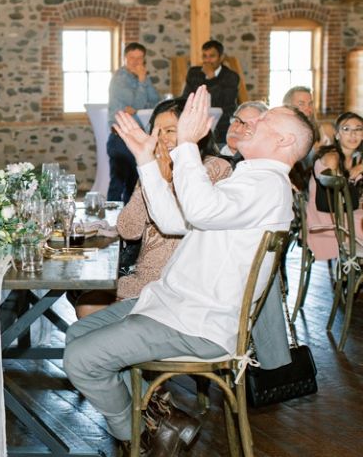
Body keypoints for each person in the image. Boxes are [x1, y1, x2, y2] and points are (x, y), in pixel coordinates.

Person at [64, 86, 315, 455]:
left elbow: (199, 210)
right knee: (79, 333)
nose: (252, 122)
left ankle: (137, 435)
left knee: (80, 359)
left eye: (264, 120)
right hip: (174, 307)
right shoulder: (250, 179)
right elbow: (173, 221)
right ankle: (160, 420)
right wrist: (145, 160)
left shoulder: (267, 184)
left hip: (197, 323)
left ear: (284, 140)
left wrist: (185, 145)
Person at [113, 99, 231, 304]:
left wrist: (165, 181)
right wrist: (151, 173)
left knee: (88, 305)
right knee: (83, 296)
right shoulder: (151, 168)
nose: (162, 139)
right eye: (156, 131)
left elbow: (181, 223)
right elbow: (128, 230)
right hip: (141, 277)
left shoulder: (215, 168)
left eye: (170, 131)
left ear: (193, 130)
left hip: (177, 287)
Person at [106, 42, 160, 204]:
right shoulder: (119, 79)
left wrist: (142, 85)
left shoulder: (143, 77)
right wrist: (142, 83)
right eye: (132, 58)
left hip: (138, 137)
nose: (136, 62)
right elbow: (137, 103)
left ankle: (129, 218)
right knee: (118, 183)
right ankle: (111, 217)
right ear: (125, 58)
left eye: (140, 58)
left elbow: (156, 102)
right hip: (120, 138)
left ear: (144, 59)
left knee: (134, 183)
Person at [306, 112, 363, 260]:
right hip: (327, 219)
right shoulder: (332, 157)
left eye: (358, 129)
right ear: (337, 135)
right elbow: (333, 197)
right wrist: (355, 173)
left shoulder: (357, 159)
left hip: (347, 214)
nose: (353, 134)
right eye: (346, 129)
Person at [181, 40, 240, 143]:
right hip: (197, 123)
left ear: (221, 57)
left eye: (212, 56)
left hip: (221, 126)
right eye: (204, 56)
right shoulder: (194, 73)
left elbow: (223, 101)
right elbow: (186, 97)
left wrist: (211, 77)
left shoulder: (231, 77)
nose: (207, 60)